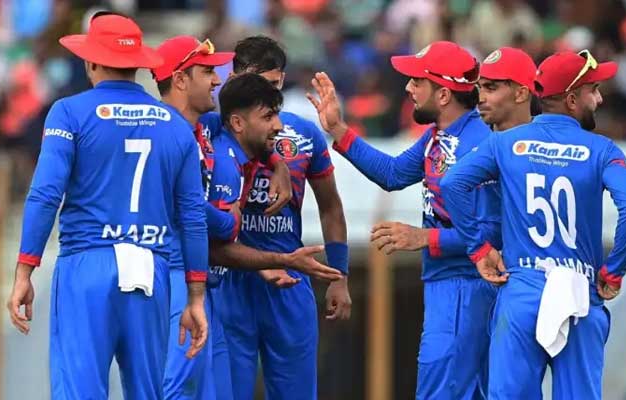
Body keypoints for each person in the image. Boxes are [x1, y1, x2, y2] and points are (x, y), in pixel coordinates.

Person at [6, 14, 209, 399]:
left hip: (87, 264)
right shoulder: (175, 125)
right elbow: (193, 217)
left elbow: (46, 193)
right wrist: (196, 296)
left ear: (91, 62)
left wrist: (24, 270)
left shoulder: (68, 112)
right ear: (137, 64)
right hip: (151, 268)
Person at [441, 50, 626, 399]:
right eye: (593, 90)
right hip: (580, 293)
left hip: (522, 291)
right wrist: (614, 270)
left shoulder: (503, 143)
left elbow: (452, 184)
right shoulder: (603, 149)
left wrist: (479, 248)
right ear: (571, 100)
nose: (599, 99)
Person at [151, 35, 343, 400]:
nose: (216, 80)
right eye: (208, 72)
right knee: (191, 386)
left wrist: (276, 161)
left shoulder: (292, 135)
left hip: (264, 279)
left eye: (273, 90)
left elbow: (331, 204)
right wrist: (229, 223)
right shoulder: (199, 129)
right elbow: (187, 209)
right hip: (211, 276)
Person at [308, 41, 501, 399]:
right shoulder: (439, 135)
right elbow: (393, 173)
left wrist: (424, 238)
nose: (409, 88)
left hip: (466, 287)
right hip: (447, 285)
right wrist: (337, 128)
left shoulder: (479, 143)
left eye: (417, 81)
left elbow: (493, 235)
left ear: (443, 94)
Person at [204, 36, 351, 400]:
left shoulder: (303, 134)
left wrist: (340, 275)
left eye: (270, 85)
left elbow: (331, 206)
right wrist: (275, 163)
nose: (262, 96)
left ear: (282, 79)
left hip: (289, 280)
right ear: (232, 78)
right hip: (229, 280)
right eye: (251, 83)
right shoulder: (212, 129)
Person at [478, 47, 537, 131]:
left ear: (521, 94)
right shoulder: (469, 137)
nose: (480, 99)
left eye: (490, 88)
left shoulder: (549, 138)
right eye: (479, 87)